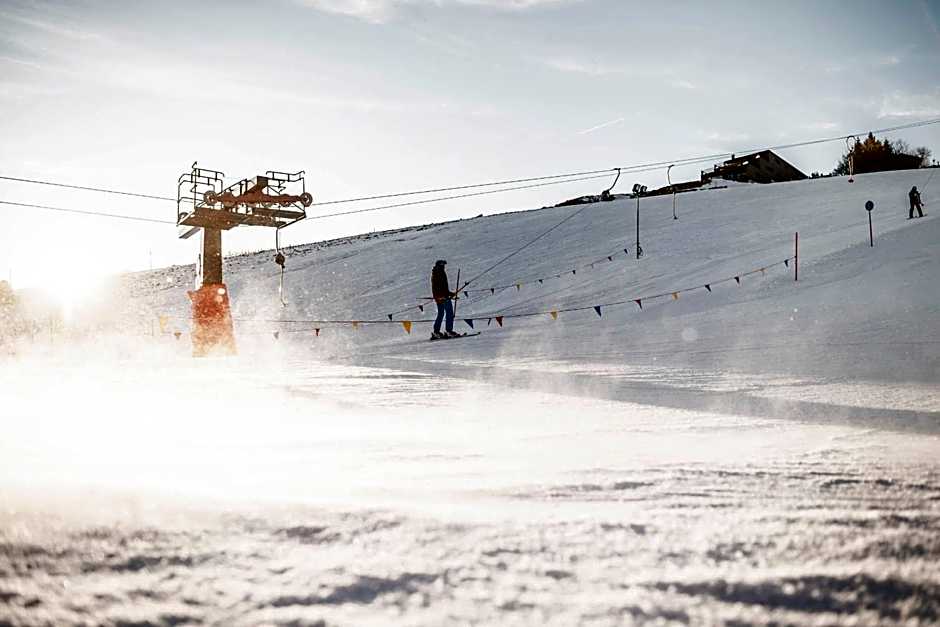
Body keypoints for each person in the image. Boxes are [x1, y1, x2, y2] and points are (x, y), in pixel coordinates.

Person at [430, 259, 458, 339]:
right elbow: (438, 288)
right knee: (449, 313)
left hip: (440, 297)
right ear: (440, 265)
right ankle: (449, 331)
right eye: (443, 265)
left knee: (441, 313)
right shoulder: (438, 273)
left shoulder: (436, 273)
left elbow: (442, 288)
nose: (444, 267)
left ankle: (436, 331)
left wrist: (449, 293)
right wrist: (444, 295)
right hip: (442, 297)